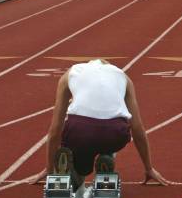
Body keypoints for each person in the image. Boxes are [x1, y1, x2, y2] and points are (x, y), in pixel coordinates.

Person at [30, 59, 170, 189]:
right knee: (110, 132)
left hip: (79, 131)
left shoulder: (70, 73)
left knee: (80, 164)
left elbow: (55, 129)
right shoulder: (123, 77)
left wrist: (49, 168)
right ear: (108, 66)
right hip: (115, 133)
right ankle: (107, 157)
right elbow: (137, 127)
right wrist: (148, 168)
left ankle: (73, 175)